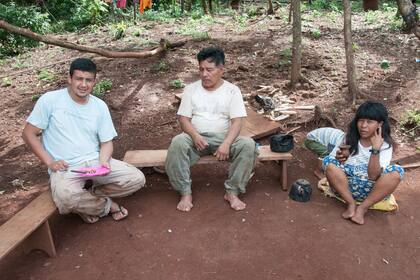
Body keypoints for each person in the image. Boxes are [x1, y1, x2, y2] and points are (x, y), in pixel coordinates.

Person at [22, 58, 146, 224]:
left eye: (88, 80)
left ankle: (88, 200)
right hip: (67, 167)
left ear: (94, 81)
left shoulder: (99, 106)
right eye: (79, 79)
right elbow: (28, 134)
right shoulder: (50, 100)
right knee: (65, 197)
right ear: (69, 78)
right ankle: (107, 206)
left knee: (136, 179)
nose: (83, 84)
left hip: (94, 162)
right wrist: (50, 162)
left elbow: (106, 142)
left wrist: (103, 162)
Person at [165, 47, 257, 212]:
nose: (204, 74)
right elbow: (183, 119)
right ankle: (185, 192)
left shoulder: (232, 90)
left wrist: (227, 143)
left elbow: (237, 122)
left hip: (223, 138)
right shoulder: (191, 89)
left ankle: (232, 191)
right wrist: (194, 135)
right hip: (196, 139)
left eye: (209, 69)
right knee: (177, 143)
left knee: (248, 145)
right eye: (201, 69)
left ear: (221, 70)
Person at [323, 101, 404, 225]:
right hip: (346, 188)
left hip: (372, 192)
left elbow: (373, 176)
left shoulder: (386, 145)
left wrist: (375, 149)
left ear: (380, 124)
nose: (363, 126)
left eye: (369, 122)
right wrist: (339, 158)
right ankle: (351, 203)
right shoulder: (348, 138)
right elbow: (332, 167)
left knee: (397, 172)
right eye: (361, 120)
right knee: (328, 162)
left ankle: (362, 208)